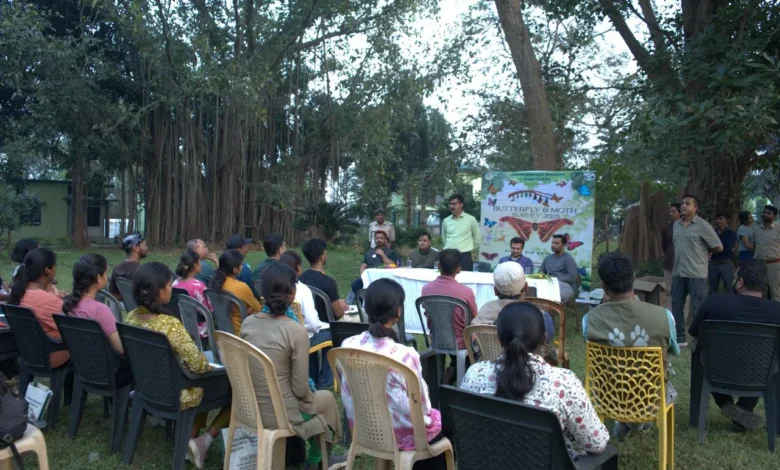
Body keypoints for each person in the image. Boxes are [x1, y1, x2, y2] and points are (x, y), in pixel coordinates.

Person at [461, 302, 609, 460]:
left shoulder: (474, 375)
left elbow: (464, 429)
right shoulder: (563, 383)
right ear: (544, 338)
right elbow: (596, 443)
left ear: (499, 339)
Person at [125, 262, 230, 469]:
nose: (171, 288)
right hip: (177, 394)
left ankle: (190, 440)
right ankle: (204, 441)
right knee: (235, 389)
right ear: (160, 291)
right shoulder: (170, 325)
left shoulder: (130, 318)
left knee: (205, 385)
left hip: (147, 389)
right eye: (169, 285)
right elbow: (198, 366)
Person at [240, 264, 344, 470]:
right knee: (327, 400)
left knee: (316, 404)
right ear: (293, 293)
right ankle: (317, 461)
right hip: (281, 413)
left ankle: (314, 456)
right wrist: (310, 398)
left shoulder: (248, 323)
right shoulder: (296, 330)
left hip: (248, 406)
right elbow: (300, 389)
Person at [340, 278, 447, 470]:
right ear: (398, 311)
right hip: (401, 435)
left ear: (366, 308)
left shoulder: (347, 346)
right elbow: (422, 406)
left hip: (364, 430)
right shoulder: (404, 355)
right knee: (438, 424)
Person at [581, 252, 680, 439]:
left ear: (604, 286)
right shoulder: (664, 316)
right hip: (651, 398)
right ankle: (636, 420)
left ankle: (628, 421)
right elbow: (674, 351)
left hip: (608, 397)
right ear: (634, 277)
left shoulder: (589, 320)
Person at [689, 259, 780, 432]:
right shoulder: (777, 311)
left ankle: (726, 404)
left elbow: (694, 332)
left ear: (740, 283)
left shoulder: (714, 302)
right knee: (768, 359)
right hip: (760, 377)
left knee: (698, 349)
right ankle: (745, 409)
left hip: (717, 374)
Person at [671, 195, 723, 346]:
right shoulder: (676, 225)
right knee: (676, 305)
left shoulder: (703, 225)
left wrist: (705, 251)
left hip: (696, 273)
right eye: (682, 203)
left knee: (698, 307)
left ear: (696, 208)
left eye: (687, 204)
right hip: (678, 272)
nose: (683, 206)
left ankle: (699, 338)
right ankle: (680, 337)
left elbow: (718, 246)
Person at [279, 251, 334, 389]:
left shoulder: (275, 287)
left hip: (281, 334)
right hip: (302, 336)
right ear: (298, 268)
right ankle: (325, 380)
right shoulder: (302, 290)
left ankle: (312, 375)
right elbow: (313, 324)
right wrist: (312, 329)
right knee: (331, 333)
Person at [421, 248, 478, 383]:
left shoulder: (426, 289)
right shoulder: (466, 292)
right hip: (461, 342)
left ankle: (450, 373)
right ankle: (458, 373)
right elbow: (474, 316)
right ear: (459, 269)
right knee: (477, 341)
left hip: (436, 338)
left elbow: (426, 310)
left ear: (439, 266)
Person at [8, 248, 70, 368]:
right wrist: (56, 298)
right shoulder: (47, 300)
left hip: (30, 353)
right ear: (47, 270)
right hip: (54, 354)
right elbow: (72, 326)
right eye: (55, 266)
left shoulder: (20, 292)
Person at [474, 262, 554, 344]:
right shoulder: (541, 316)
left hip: (490, 353)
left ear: (495, 290)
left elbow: (473, 340)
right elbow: (545, 344)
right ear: (526, 287)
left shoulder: (484, 311)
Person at [62, 253, 124, 354]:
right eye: (105, 273)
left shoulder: (68, 303)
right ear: (98, 278)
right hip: (104, 362)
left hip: (78, 360)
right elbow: (121, 348)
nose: (107, 277)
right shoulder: (100, 310)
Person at [209, 250, 261, 334]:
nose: (242, 267)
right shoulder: (241, 287)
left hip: (222, 332)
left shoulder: (214, 283)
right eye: (241, 264)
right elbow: (258, 309)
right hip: (241, 334)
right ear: (235, 269)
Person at [299, 239, 349, 324]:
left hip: (306, 324)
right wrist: (342, 307)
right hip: (326, 326)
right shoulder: (329, 282)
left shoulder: (300, 279)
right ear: (321, 257)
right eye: (325, 252)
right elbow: (338, 314)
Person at [347, 230, 400, 304]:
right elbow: (363, 265)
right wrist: (363, 275)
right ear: (374, 240)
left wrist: (382, 254)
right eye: (377, 238)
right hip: (369, 278)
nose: (379, 240)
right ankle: (348, 303)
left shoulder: (391, 252)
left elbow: (393, 265)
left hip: (384, 279)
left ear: (385, 240)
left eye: (381, 238)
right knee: (355, 283)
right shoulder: (369, 252)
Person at [441, 194, 481, 271]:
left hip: (464, 256)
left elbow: (477, 238)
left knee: (465, 277)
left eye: (454, 204)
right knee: (448, 277)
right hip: (448, 256)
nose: (452, 206)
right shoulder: (446, 221)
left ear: (461, 205)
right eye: (450, 204)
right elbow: (444, 238)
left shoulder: (471, 219)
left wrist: (468, 248)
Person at [540, 234, 579, 302]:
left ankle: (551, 308)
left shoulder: (569, 259)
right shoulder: (548, 259)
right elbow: (541, 272)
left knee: (549, 291)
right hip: (550, 284)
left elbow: (572, 277)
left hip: (567, 286)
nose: (553, 245)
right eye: (552, 243)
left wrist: (554, 279)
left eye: (556, 243)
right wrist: (542, 276)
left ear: (563, 245)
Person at [109, 233, 148, 301]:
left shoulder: (117, 268)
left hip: (122, 305)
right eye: (144, 245)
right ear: (135, 248)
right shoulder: (141, 271)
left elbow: (112, 294)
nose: (146, 248)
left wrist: (126, 300)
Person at [754, 205, 780, 301]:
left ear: (775, 216)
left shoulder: (778, 229)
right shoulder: (756, 229)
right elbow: (754, 244)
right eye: (764, 212)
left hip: (774, 263)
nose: (765, 214)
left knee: (775, 290)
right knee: (758, 289)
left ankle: (776, 309)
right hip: (758, 263)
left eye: (769, 213)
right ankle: (762, 309)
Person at [709, 212, 737, 295]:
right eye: (717, 218)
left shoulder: (731, 233)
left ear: (726, 220)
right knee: (712, 288)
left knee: (729, 287)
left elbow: (727, 247)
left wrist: (713, 249)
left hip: (725, 262)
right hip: (713, 262)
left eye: (721, 218)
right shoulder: (712, 233)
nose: (718, 221)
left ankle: (730, 302)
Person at [661, 203, 681, 299]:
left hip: (682, 262)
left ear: (680, 212)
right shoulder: (667, 228)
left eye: (674, 211)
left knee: (679, 287)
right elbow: (664, 245)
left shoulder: (685, 226)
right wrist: (669, 253)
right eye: (670, 211)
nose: (671, 213)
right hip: (669, 260)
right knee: (669, 287)